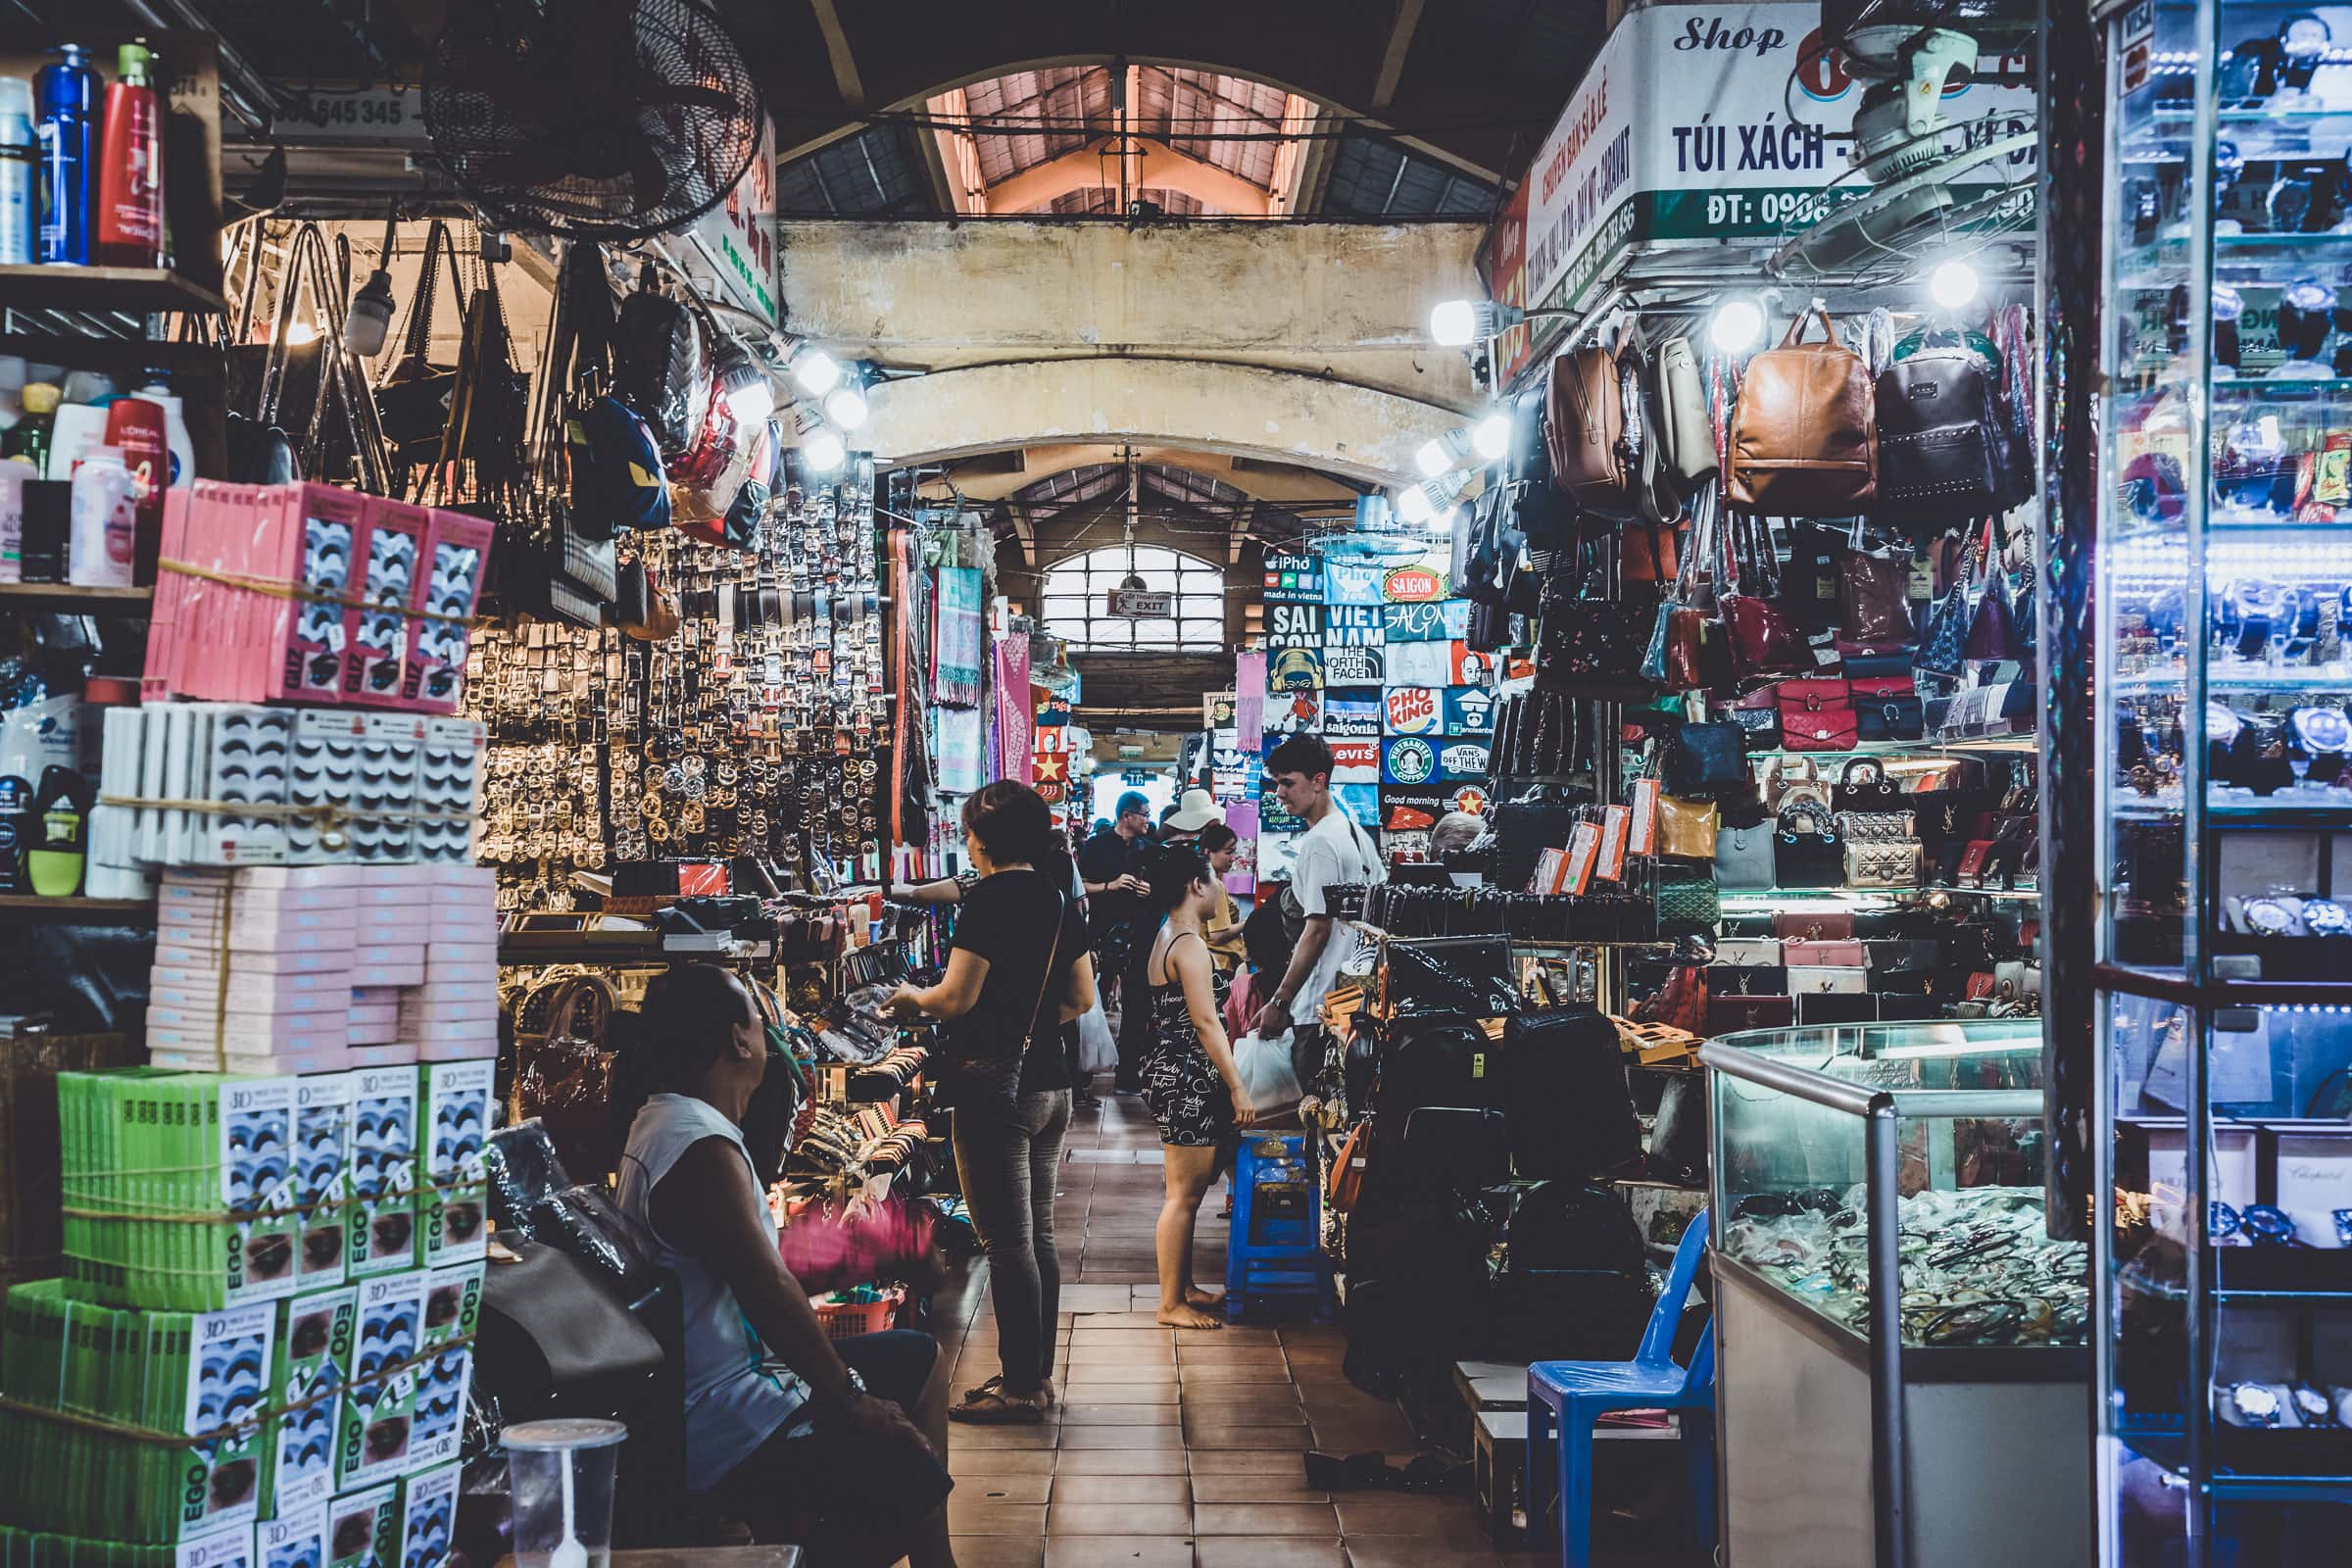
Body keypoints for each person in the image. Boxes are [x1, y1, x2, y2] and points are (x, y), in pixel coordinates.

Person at [612, 964, 956, 1565]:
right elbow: (766, 1287)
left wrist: (871, 1252)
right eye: (753, 1012)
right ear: (738, 1039)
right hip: (729, 1417)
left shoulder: (674, 1124)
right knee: (910, 1472)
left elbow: (756, 1262)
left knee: (920, 1361)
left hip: (734, 1391)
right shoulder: (699, 1147)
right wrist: (849, 1398)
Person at [885, 782, 1093, 1422]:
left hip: (992, 1084)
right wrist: (1027, 1032)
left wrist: (909, 1000)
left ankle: (1023, 1385)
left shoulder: (989, 900)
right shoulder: (1060, 900)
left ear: (980, 839)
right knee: (1039, 1234)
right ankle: (1034, 1371)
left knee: (1006, 1242)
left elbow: (955, 997)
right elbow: (1081, 999)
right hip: (1050, 1082)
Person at [1137, 843, 1255, 1328]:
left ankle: (1182, 1288)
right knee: (1182, 1195)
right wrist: (1237, 1088)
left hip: (1176, 1070)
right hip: (1187, 1074)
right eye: (1215, 877)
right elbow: (1207, 1024)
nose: (1222, 886)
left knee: (1187, 1189)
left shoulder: (1169, 936)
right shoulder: (1188, 946)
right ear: (1196, 885)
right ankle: (1170, 1305)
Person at [1252, 732, 1386, 1044]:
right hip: (1356, 1000)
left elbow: (1317, 930)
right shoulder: (1356, 835)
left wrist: (1280, 1002)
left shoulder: (1321, 842)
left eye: (1287, 783)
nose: (1279, 793)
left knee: (1314, 1092)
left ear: (1318, 781)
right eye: (1276, 783)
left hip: (1321, 1005)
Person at [1079, 790, 1155, 1089]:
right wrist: (1110, 885)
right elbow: (1081, 885)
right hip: (1101, 934)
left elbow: (1159, 889)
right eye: (1145, 814)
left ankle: (1126, 1073)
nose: (1148, 820)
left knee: (1137, 1004)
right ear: (1127, 816)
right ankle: (1083, 1068)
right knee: (1089, 999)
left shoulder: (1148, 849)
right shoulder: (1096, 846)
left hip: (1138, 935)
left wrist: (1149, 891)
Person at [1194, 820, 1246, 973]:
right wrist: (1248, 923)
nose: (1233, 858)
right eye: (1228, 852)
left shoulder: (1197, 881)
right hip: (1222, 964)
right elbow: (1218, 935)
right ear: (1208, 852)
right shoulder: (1214, 886)